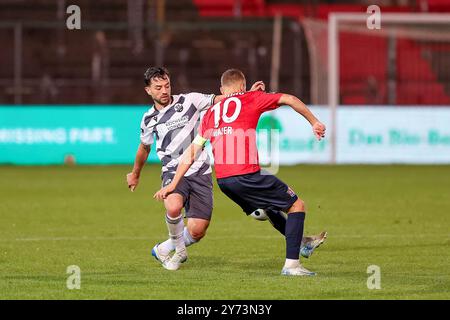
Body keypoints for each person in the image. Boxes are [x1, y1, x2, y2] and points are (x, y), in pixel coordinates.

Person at [154, 69, 326, 276]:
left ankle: (301, 242)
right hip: (247, 174)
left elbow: (192, 151)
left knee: (269, 207)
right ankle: (292, 265)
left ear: (221, 90)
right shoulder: (251, 98)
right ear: (243, 87)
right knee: (297, 205)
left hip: (225, 181)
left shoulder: (211, 113)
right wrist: (314, 121)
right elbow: (289, 98)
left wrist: (173, 184)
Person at [126, 67, 265, 271]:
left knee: (197, 231)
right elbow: (144, 148)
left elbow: (223, 99)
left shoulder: (190, 100)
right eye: (158, 87)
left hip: (200, 170)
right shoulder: (148, 119)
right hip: (173, 170)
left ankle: (163, 248)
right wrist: (135, 174)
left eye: (167, 85)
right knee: (173, 206)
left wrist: (248, 94)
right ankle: (180, 253)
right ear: (148, 91)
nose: (164, 90)